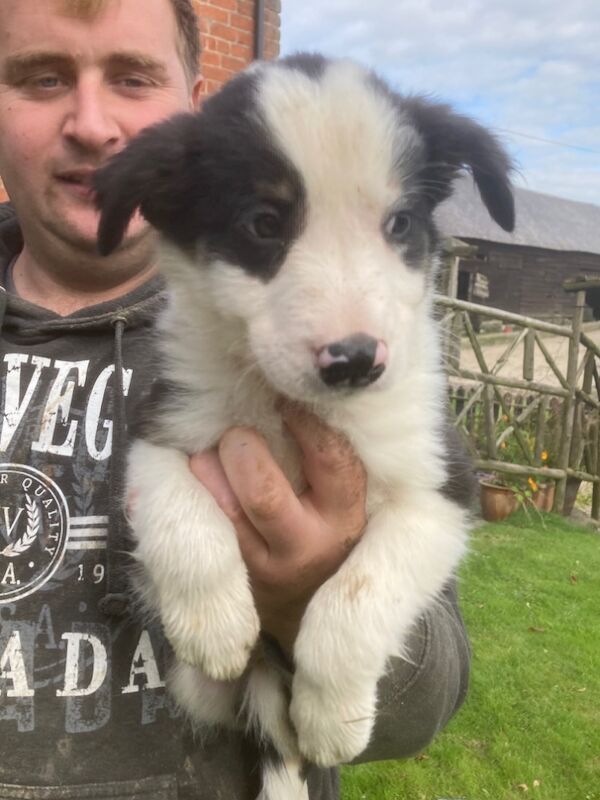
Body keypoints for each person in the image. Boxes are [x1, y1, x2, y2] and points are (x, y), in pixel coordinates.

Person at [0, 1, 471, 797]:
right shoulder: (209, 345)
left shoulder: (360, 355)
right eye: (41, 77)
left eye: (131, 75)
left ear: (193, 100)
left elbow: (420, 703)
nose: (91, 122)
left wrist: (318, 612)